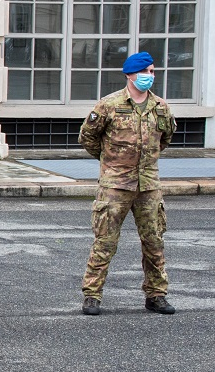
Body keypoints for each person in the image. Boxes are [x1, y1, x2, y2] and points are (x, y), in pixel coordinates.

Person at [77, 51, 177, 316]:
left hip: (148, 186)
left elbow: (164, 139)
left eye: (153, 72)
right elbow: (88, 137)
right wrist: (111, 161)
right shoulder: (109, 105)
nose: (150, 77)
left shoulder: (161, 107)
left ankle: (156, 294)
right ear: (130, 74)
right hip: (115, 185)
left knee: (154, 242)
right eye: (145, 72)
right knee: (105, 242)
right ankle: (92, 295)